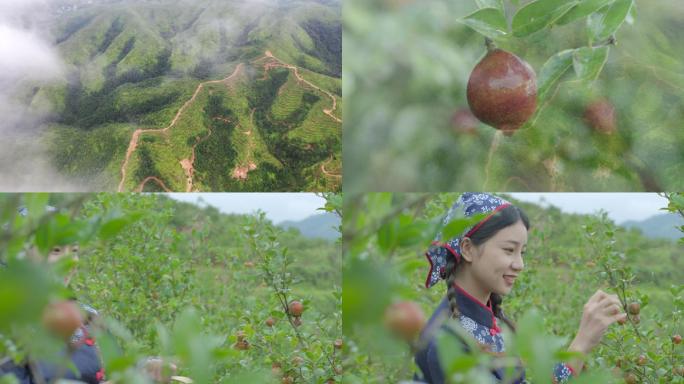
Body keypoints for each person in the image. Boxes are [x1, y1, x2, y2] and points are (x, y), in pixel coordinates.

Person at [413, 193, 627, 384]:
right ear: (467, 249)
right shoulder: (447, 342)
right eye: (509, 250)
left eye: (521, 252)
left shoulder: (486, 321)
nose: (519, 264)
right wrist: (580, 344)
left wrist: (583, 342)